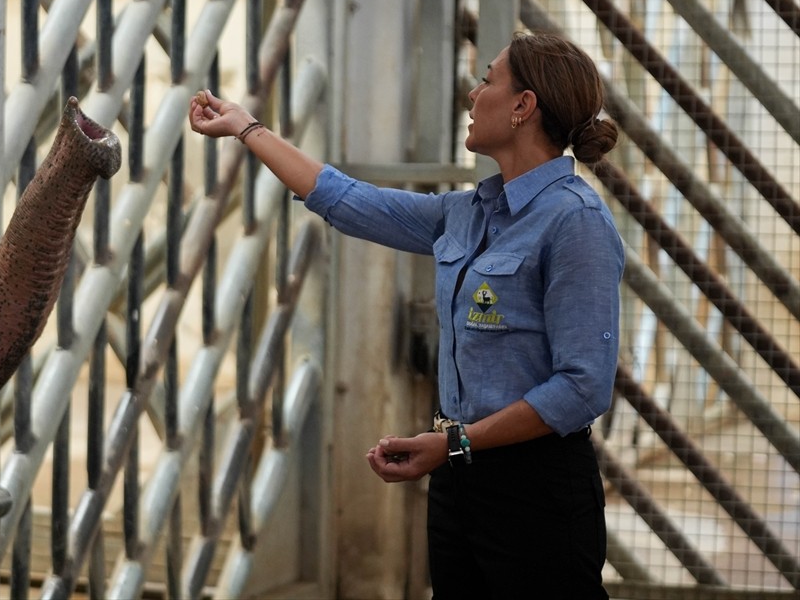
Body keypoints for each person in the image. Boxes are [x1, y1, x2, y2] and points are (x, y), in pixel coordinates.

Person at [189, 31, 623, 598]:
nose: (472, 94)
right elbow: (347, 201)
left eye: (487, 80)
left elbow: (582, 386)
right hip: (457, 481)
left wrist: (457, 443)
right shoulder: (466, 213)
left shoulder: (577, 223)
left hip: (535, 490)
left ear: (523, 106)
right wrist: (249, 130)